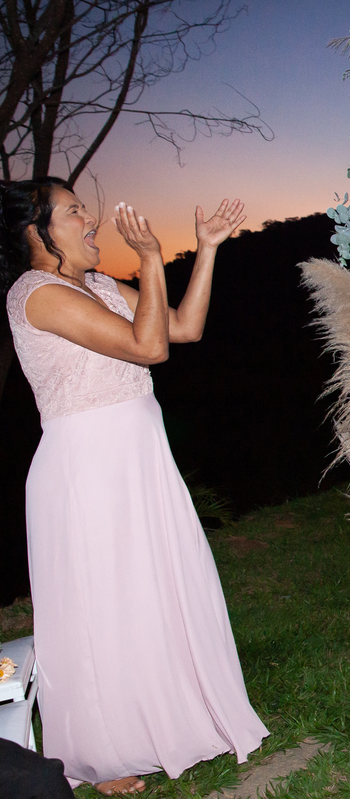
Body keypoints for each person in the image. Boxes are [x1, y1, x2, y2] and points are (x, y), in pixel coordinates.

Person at [1, 178, 267, 794]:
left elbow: (182, 329)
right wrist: (149, 260)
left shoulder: (95, 286)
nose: (89, 219)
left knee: (155, 588)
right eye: (73, 212)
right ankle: (102, 753)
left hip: (140, 457)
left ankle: (172, 715)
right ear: (37, 230)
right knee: (100, 603)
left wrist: (205, 250)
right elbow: (147, 349)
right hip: (85, 467)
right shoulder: (35, 294)